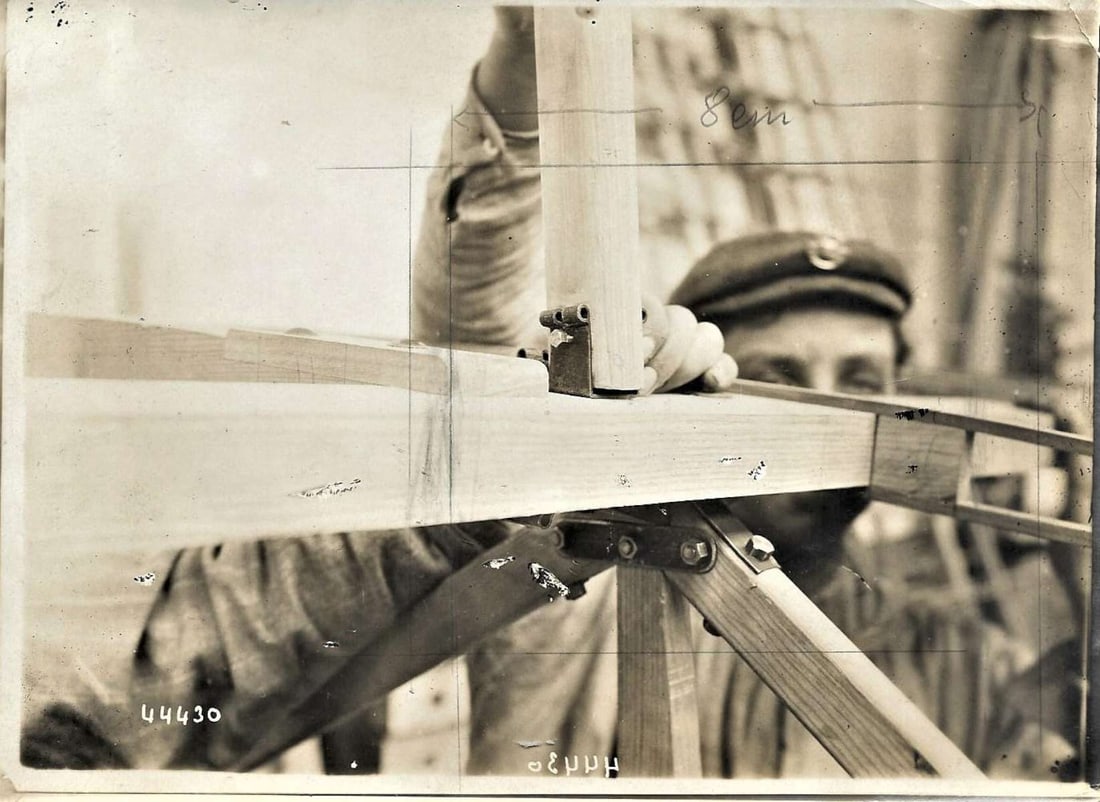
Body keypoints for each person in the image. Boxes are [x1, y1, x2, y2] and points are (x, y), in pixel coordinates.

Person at [22, 6, 1078, 781]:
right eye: (781, 380)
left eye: (857, 385)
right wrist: (525, 73)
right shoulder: (573, 587)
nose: (817, 413)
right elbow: (473, 364)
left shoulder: (954, 669)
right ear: (704, 387)